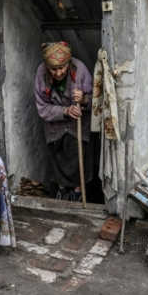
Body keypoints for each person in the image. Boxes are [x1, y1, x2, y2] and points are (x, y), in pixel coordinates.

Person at [33, 41, 93, 201]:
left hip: (77, 126)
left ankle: (78, 192)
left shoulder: (80, 70)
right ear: (46, 66)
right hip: (55, 126)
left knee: (79, 159)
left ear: (68, 63)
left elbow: (98, 100)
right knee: (57, 159)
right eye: (53, 69)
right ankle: (62, 192)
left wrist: (85, 99)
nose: (58, 73)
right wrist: (65, 111)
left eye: (62, 68)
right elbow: (42, 107)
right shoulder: (41, 73)